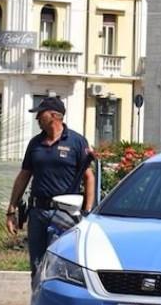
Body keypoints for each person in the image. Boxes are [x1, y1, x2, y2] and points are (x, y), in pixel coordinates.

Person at [6, 96, 95, 278]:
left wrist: (87, 212)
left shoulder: (76, 142)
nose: (37, 118)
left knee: (59, 266)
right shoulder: (35, 143)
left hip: (65, 214)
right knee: (37, 266)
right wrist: (11, 209)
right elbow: (24, 176)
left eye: (41, 114)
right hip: (37, 213)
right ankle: (38, 296)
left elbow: (89, 177)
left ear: (54, 115)